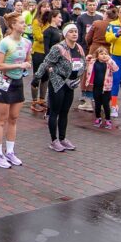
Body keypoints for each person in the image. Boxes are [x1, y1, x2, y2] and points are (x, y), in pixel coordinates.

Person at [0, 12, 31, 169]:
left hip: (18, 82)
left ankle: (10, 152)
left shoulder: (27, 42)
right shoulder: (5, 43)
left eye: (24, 23)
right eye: (21, 23)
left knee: (14, 118)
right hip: (4, 82)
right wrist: (18, 66)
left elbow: (27, 59)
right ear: (13, 25)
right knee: (2, 119)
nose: (24, 25)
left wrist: (26, 65)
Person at [37, 22, 85, 152]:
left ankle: (63, 138)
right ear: (65, 34)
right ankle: (54, 140)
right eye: (71, 31)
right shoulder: (58, 48)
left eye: (76, 31)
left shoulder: (79, 48)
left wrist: (78, 78)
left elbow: (82, 63)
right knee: (55, 111)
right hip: (58, 83)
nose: (74, 34)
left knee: (65, 112)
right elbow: (46, 62)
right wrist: (37, 77)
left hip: (71, 83)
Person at [87, 47, 119, 129]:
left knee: (106, 104)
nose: (104, 56)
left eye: (106, 54)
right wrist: (88, 58)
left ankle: (108, 119)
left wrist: (110, 60)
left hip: (106, 88)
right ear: (97, 55)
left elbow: (116, 68)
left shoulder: (109, 63)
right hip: (96, 86)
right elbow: (86, 64)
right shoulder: (93, 62)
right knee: (97, 104)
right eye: (101, 54)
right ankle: (98, 118)